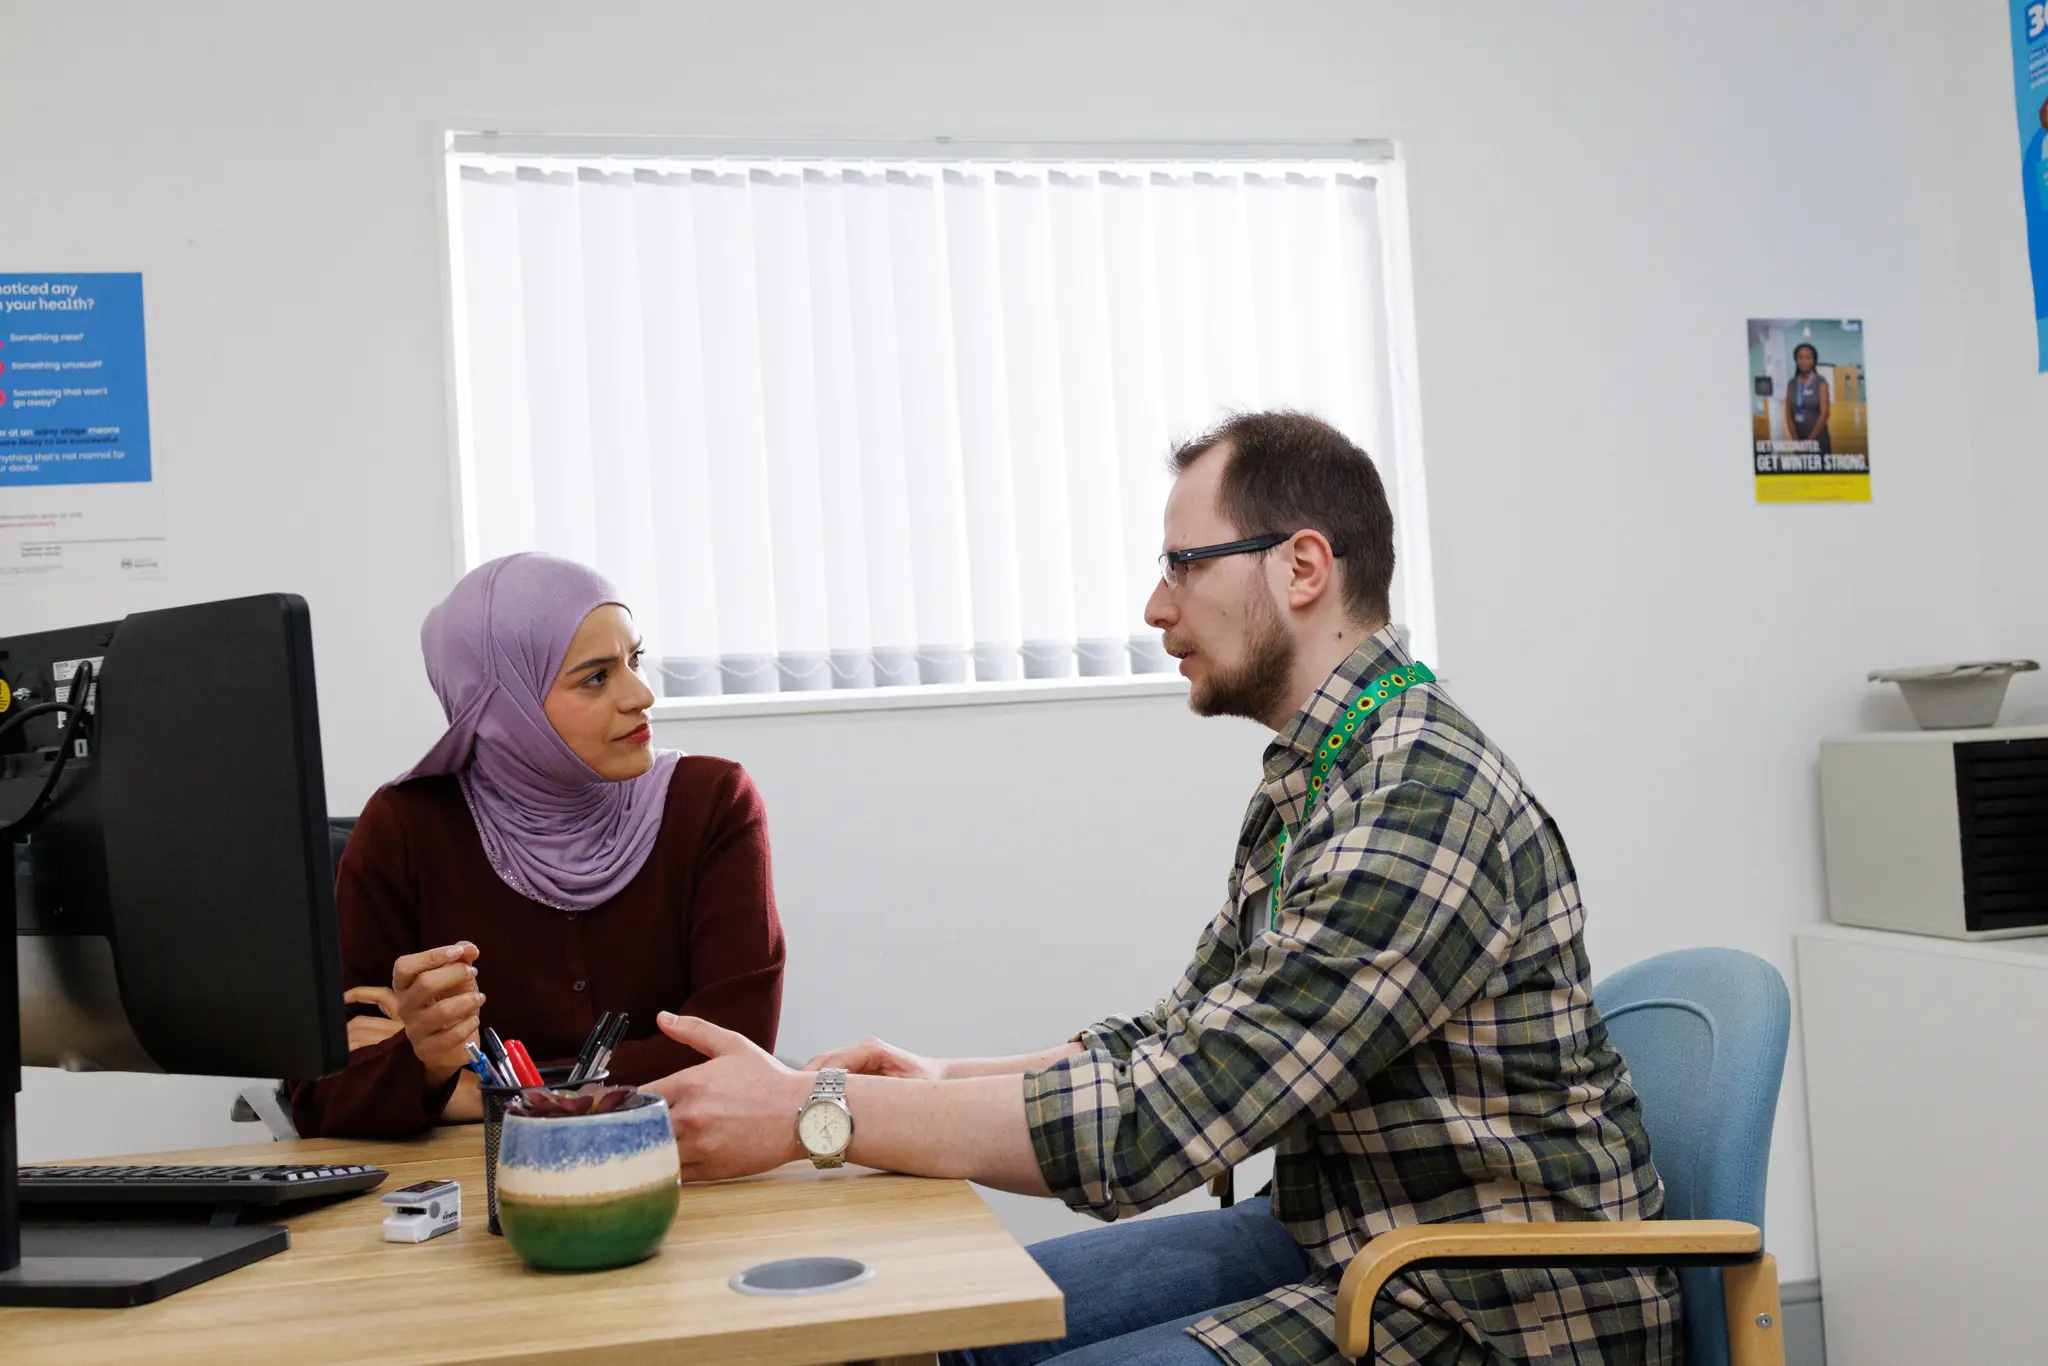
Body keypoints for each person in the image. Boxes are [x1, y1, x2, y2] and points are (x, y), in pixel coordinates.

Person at [642, 412, 1677, 1365]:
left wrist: (815, 1112)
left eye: (1184, 563)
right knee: (945, 1335)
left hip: (1488, 1311)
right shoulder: (1320, 774)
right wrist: (937, 1076)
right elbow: (1177, 1037)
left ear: (1302, 566)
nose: (1155, 604)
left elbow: (1157, 1126)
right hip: (1345, 1241)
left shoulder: (1420, 799)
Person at [292, 552, 785, 1136]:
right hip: (482, 1192)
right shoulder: (404, 828)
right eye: (597, 677)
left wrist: (476, 1086)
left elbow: (734, 1052)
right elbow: (322, 1094)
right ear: (502, 705)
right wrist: (427, 1065)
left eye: (635, 660)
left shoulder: (711, 804)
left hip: (681, 1171)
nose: (641, 695)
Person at [1784, 342, 1831, 457]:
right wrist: (1795, 440)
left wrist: (1810, 440)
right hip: (1799, 440)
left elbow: (1824, 414)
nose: (1803, 361)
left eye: (1808, 357)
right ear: (1796, 360)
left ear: (1814, 361)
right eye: (1800, 357)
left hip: (1818, 439)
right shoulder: (1792, 383)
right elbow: (1788, 414)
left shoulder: (1820, 382)